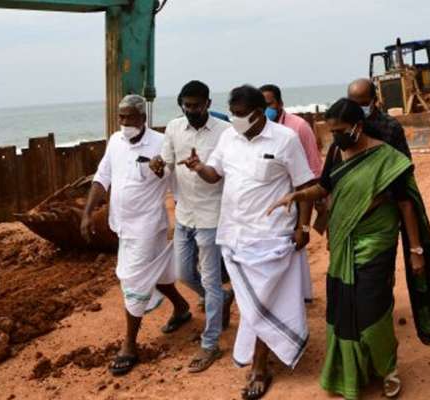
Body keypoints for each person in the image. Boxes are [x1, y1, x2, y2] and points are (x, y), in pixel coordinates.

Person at [268, 99, 430, 399]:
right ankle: (354, 370)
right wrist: (297, 195)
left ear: (357, 126)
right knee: (344, 306)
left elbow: (405, 204)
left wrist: (416, 251)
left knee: (372, 309)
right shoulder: (337, 151)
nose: (334, 136)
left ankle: (387, 368)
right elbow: (324, 187)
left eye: (339, 130)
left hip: (377, 240)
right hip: (343, 239)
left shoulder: (387, 158)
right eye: (331, 130)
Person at [179, 85, 315, 400]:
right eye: (233, 114)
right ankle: (267, 352)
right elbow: (216, 174)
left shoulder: (285, 139)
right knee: (252, 304)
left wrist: (303, 226)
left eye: (242, 115)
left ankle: (259, 366)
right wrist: (199, 168)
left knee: (261, 304)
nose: (236, 120)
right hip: (234, 236)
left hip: (272, 237)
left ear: (259, 113)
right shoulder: (228, 137)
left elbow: (306, 185)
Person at [80, 94, 190, 377]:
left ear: (143, 117)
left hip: (148, 226)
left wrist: (163, 174)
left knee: (134, 279)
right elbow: (102, 177)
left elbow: (176, 180)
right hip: (123, 226)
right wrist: (87, 212)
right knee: (159, 274)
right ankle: (181, 307)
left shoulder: (161, 143)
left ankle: (129, 345)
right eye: (121, 117)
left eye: (129, 117)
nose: (124, 122)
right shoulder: (115, 141)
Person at [149, 80, 234, 373]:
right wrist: (160, 166)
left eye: (196, 105)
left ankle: (210, 344)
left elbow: (221, 175)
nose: (191, 110)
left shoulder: (225, 133)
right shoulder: (173, 128)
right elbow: (168, 164)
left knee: (210, 280)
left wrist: (200, 168)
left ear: (208, 104)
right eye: (186, 105)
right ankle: (222, 298)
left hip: (212, 216)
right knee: (185, 273)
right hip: (184, 214)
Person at [260, 83, 322, 303]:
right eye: (262, 105)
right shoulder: (260, 132)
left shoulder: (298, 128)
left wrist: (304, 223)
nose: (266, 109)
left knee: (296, 244)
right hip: (273, 202)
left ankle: (298, 297)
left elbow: (313, 172)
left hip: (299, 197)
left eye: (269, 104)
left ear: (280, 104)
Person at [347, 78, 411, 159]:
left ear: (374, 100)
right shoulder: (346, 126)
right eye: (354, 104)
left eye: (363, 104)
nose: (359, 109)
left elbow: (404, 160)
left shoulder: (390, 126)